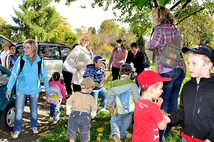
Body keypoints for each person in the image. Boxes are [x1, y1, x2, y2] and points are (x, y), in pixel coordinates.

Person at [145, 6, 186, 138]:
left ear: (157, 17)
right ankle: (169, 128)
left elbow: (154, 44)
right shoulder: (175, 28)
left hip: (167, 69)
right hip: (180, 68)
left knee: (163, 100)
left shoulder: (159, 29)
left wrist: (146, 44)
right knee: (174, 99)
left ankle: (161, 131)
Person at [169, 44, 214, 142]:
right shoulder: (187, 87)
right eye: (188, 63)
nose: (189, 67)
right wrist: (169, 118)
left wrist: (211, 138)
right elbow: (183, 110)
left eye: (194, 63)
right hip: (186, 136)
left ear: (208, 65)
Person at [5, 39, 49, 139]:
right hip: (21, 90)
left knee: (34, 111)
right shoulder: (20, 60)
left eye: (27, 47)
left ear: (33, 48)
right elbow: (13, 75)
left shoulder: (40, 61)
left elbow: (45, 76)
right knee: (19, 111)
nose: (25, 49)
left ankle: (34, 127)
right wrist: (9, 89)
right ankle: (17, 129)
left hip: (34, 90)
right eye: (24, 47)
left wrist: (47, 90)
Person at [132, 70, 171, 142]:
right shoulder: (153, 107)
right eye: (160, 88)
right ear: (152, 90)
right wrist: (166, 119)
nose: (162, 91)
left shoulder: (139, 101)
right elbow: (162, 126)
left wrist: (157, 110)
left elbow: (149, 115)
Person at [106, 63, 140, 142]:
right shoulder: (133, 85)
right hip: (128, 109)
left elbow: (109, 96)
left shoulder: (113, 84)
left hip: (115, 108)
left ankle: (115, 134)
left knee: (114, 120)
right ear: (130, 73)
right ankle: (121, 134)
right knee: (126, 121)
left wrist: (109, 106)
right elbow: (136, 98)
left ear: (119, 73)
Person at [66, 77, 98, 142]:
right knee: (85, 133)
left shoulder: (75, 94)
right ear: (89, 88)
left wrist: (68, 111)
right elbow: (94, 107)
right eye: (92, 87)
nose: (93, 88)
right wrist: (93, 114)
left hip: (74, 115)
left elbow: (68, 102)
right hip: (85, 117)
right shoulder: (91, 97)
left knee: (72, 131)